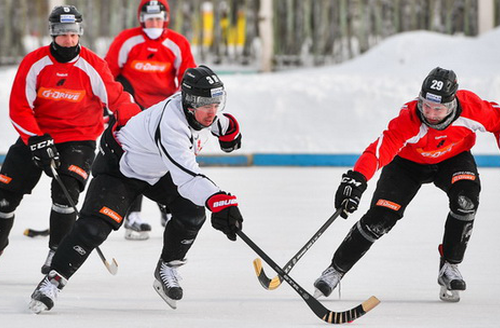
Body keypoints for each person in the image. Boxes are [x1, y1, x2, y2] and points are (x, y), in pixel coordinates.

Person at [28, 65, 243, 314]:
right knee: (93, 227)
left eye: (217, 103)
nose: (212, 111)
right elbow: (188, 178)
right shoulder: (171, 125)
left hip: (158, 171)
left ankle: (168, 266)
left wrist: (229, 130)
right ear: (189, 102)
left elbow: (217, 123)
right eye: (207, 105)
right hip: (121, 168)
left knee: (192, 214)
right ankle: (52, 280)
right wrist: (220, 200)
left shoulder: (200, 111)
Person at [313, 67, 500, 302]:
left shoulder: (472, 108)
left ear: (451, 105)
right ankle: (335, 270)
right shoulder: (410, 118)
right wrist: (357, 178)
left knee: (466, 201)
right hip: (406, 165)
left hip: (453, 159)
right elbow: (380, 149)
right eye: (425, 105)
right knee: (380, 218)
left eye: (437, 109)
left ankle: (450, 266)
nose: (430, 114)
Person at [0, 6, 140, 270]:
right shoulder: (34, 62)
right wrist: (35, 139)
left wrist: (135, 121)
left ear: (80, 33)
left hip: (79, 138)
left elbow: (119, 98)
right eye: (63, 34)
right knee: (4, 197)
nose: (69, 39)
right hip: (37, 136)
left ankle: (56, 254)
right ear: (52, 34)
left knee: (65, 193)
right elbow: (18, 107)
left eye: (73, 34)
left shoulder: (93, 65)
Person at [104, 0, 197, 240]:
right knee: (134, 160)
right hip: (133, 110)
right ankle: (133, 215)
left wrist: (181, 106)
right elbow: (107, 72)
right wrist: (114, 102)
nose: (153, 23)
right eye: (149, 19)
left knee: (168, 158)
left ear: (165, 19)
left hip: (164, 110)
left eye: (158, 19)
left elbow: (187, 76)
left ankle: (168, 209)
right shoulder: (127, 40)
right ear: (141, 18)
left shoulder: (177, 43)